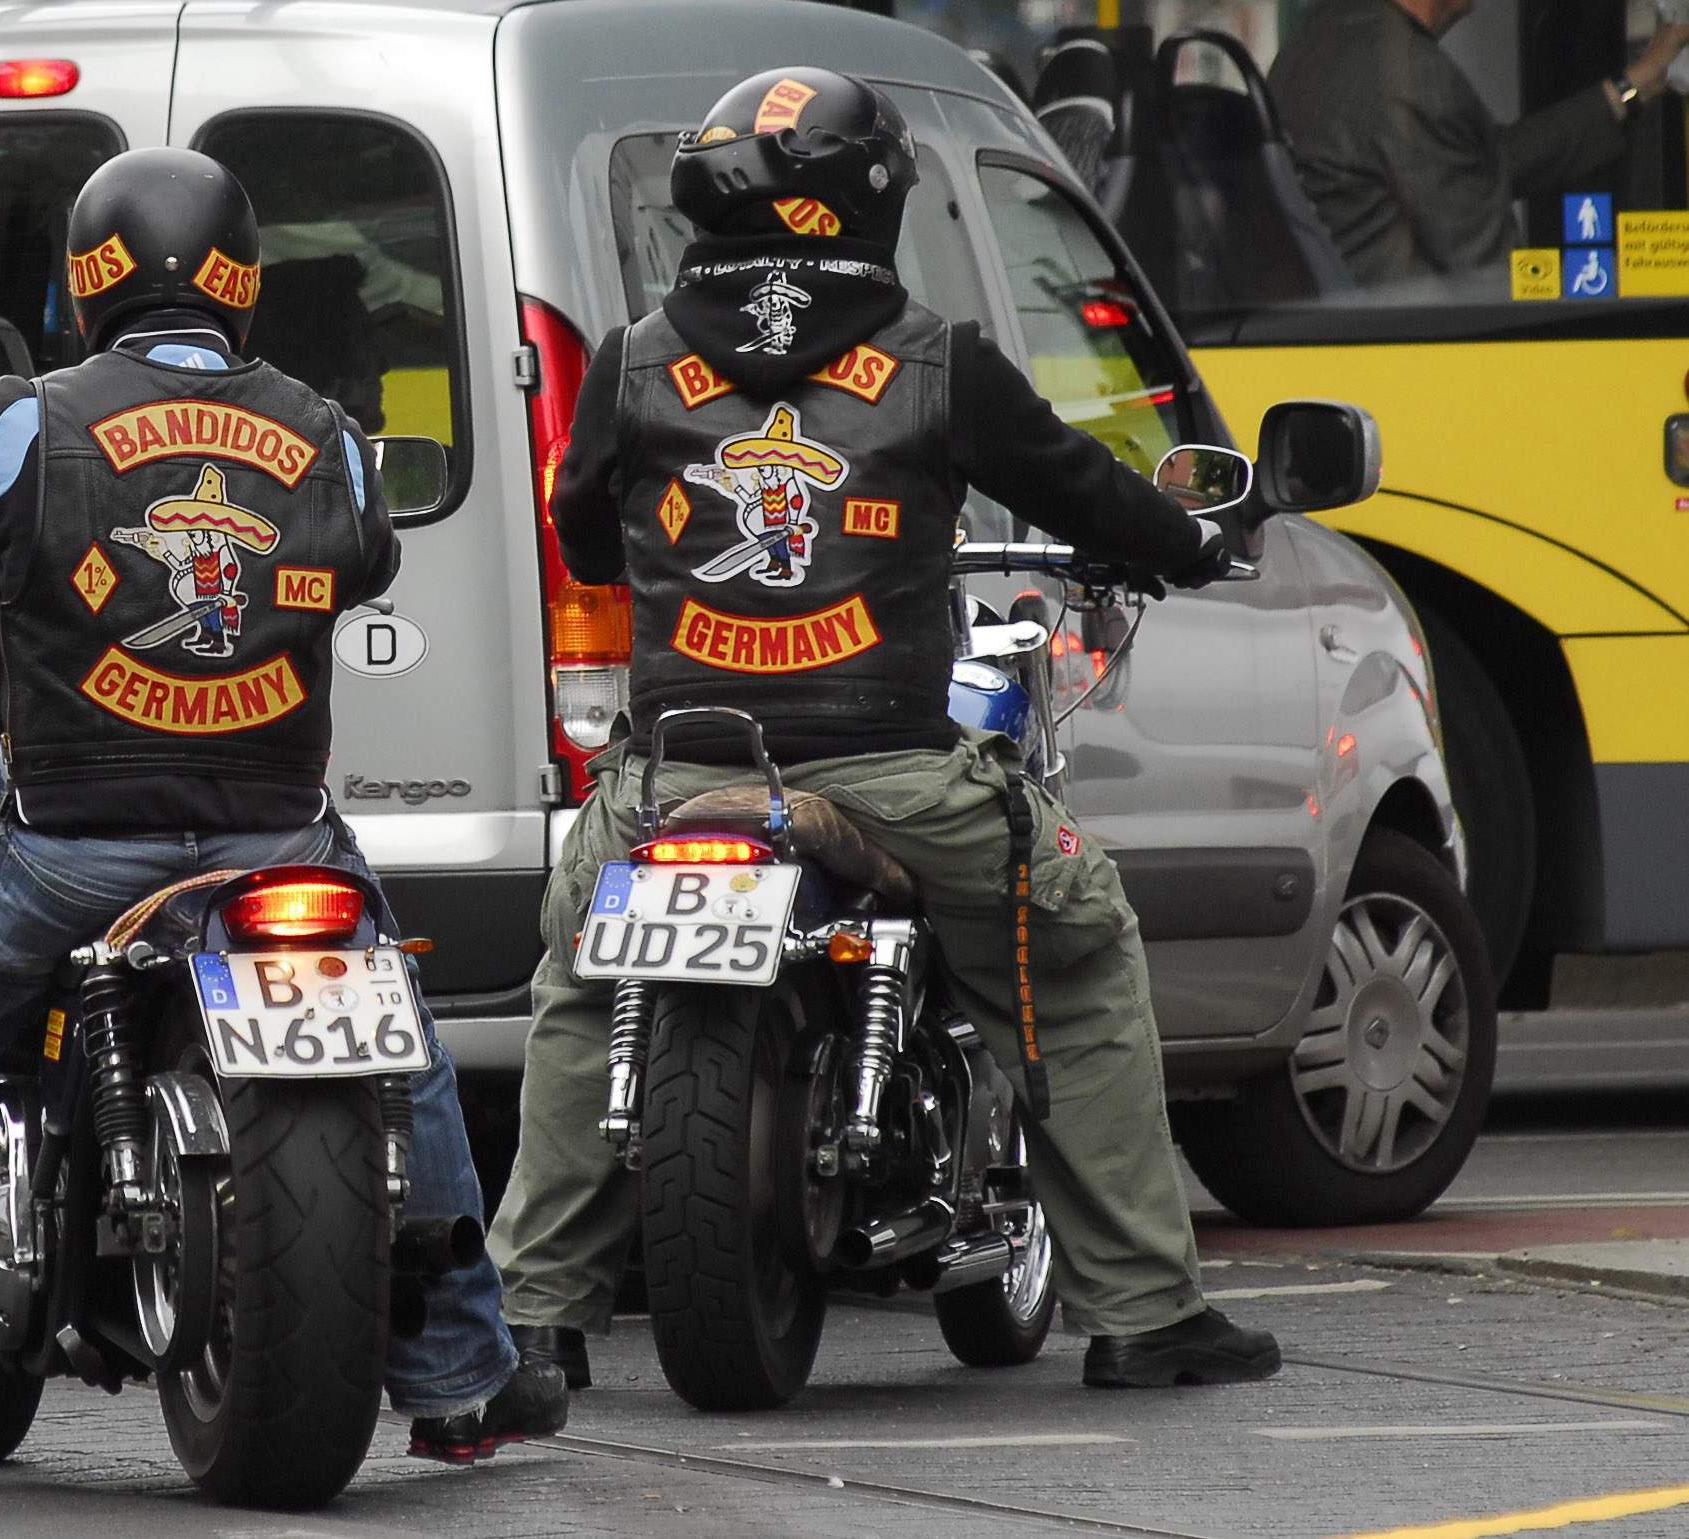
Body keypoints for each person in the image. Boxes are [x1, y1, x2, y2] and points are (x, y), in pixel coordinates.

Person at [0, 147, 562, 1489]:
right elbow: (362, 555)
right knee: (403, 1058)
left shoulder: (30, 418)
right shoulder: (322, 428)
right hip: (279, 837)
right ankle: (465, 1376)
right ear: (243, 278)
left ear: (88, 279)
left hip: (71, 847)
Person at [484, 68, 1279, 1396]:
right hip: (891, 770)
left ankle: (534, 1314)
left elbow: (583, 534)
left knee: (581, 988)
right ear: (868, 198)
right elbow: (1084, 490)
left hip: (675, 776)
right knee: (1073, 952)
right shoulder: (933, 358)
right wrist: (1188, 539)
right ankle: (1141, 1307)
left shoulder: (630, 361)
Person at [1270, 0, 1689, 286]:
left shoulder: (1326, 33)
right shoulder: (1410, 75)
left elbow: (1476, 164)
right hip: (1414, 352)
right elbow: (1494, 279)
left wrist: (1632, 87)